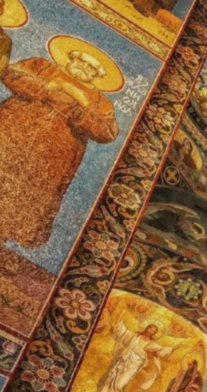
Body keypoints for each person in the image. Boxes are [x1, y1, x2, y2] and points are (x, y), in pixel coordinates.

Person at [0, 41, 119, 249]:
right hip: (11, 132)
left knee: (26, 193)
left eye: (91, 68)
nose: (84, 67)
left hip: (51, 157)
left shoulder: (100, 102)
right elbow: (11, 74)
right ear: (71, 57)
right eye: (81, 61)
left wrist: (81, 104)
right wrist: (47, 88)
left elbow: (107, 132)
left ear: (97, 75)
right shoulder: (43, 66)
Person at [84, 319, 173, 392]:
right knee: (108, 382)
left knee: (119, 386)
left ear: (154, 333)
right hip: (120, 363)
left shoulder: (152, 344)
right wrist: (118, 320)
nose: (150, 331)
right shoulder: (133, 336)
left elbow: (161, 351)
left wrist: (172, 349)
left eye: (153, 331)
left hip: (132, 367)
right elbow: (121, 332)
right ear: (146, 328)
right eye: (150, 328)